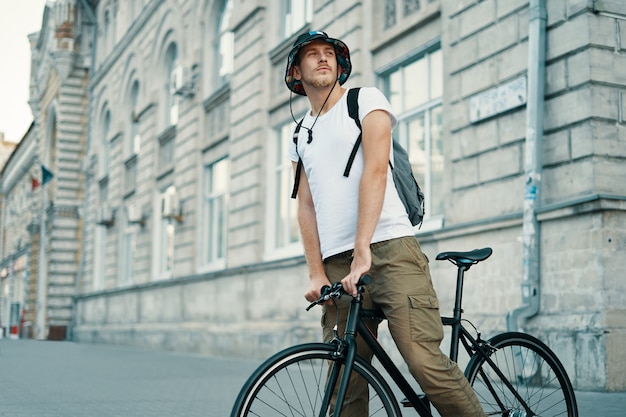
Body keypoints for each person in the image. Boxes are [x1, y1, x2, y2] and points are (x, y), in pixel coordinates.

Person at [285, 30, 486, 417]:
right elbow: (305, 206)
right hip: (338, 264)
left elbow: (375, 171)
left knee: (424, 362)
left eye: (330, 53)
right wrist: (315, 273)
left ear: (340, 66)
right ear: (296, 71)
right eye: (312, 55)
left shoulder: (365, 100)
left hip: (391, 249)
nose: (323, 58)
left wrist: (364, 250)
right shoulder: (299, 133)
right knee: (344, 380)